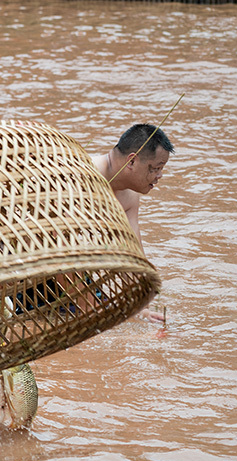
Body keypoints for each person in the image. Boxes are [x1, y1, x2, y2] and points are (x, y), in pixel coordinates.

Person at [93, 123, 175, 323]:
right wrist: (91, 310)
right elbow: (58, 247)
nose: (160, 176)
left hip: (72, 277)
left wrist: (141, 308)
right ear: (132, 161)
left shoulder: (128, 197)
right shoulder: (86, 178)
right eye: (155, 168)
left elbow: (133, 257)